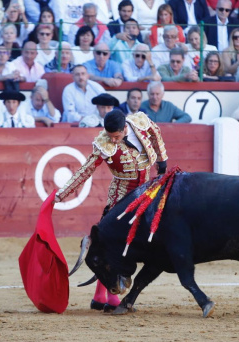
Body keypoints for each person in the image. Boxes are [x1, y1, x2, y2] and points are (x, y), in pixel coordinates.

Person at [55, 109, 168, 312]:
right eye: (111, 137)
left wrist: (162, 160)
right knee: (112, 244)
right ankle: (108, 297)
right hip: (121, 195)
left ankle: (100, 296)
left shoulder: (139, 122)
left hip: (144, 193)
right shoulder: (104, 143)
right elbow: (86, 169)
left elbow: (155, 131)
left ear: (125, 128)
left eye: (116, 136)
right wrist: (60, 195)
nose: (114, 141)